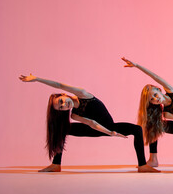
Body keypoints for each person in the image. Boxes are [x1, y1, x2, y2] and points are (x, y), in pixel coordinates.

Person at [19, 74, 159, 173]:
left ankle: (142, 165)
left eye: (61, 101)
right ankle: (56, 164)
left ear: (63, 94)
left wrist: (37, 79)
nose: (64, 105)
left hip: (109, 126)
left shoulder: (82, 94)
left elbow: (58, 84)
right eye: (61, 108)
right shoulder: (74, 114)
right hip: (96, 129)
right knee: (62, 129)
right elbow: (91, 123)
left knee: (137, 129)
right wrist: (110, 134)